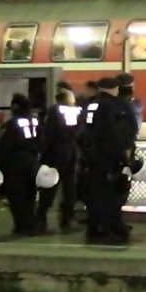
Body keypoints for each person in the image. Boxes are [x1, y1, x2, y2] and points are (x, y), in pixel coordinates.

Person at [78, 77, 132, 245]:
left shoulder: (90, 104)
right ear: (113, 88)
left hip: (92, 157)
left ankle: (95, 228)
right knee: (111, 196)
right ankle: (113, 230)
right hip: (109, 157)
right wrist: (124, 158)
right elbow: (117, 134)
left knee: (95, 195)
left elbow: (81, 131)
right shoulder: (115, 106)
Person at [36, 86, 82, 232]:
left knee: (50, 187)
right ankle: (66, 220)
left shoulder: (54, 111)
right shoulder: (77, 111)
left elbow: (49, 134)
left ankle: (40, 220)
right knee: (70, 188)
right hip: (73, 152)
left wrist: (43, 155)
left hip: (56, 153)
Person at [0, 93, 41, 236]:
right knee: (30, 194)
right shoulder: (35, 121)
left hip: (16, 162)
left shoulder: (11, 124)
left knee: (16, 196)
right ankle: (30, 224)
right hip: (32, 161)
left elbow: (4, 146)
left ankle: (21, 226)